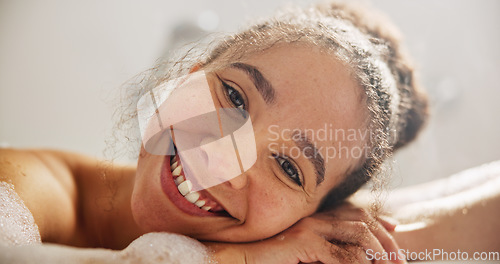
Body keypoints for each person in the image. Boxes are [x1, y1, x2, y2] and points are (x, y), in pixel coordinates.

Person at [3, 1, 494, 263]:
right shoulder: (27, 185)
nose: (221, 157)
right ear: (190, 74)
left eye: (287, 167)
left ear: (312, 218)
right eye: (235, 98)